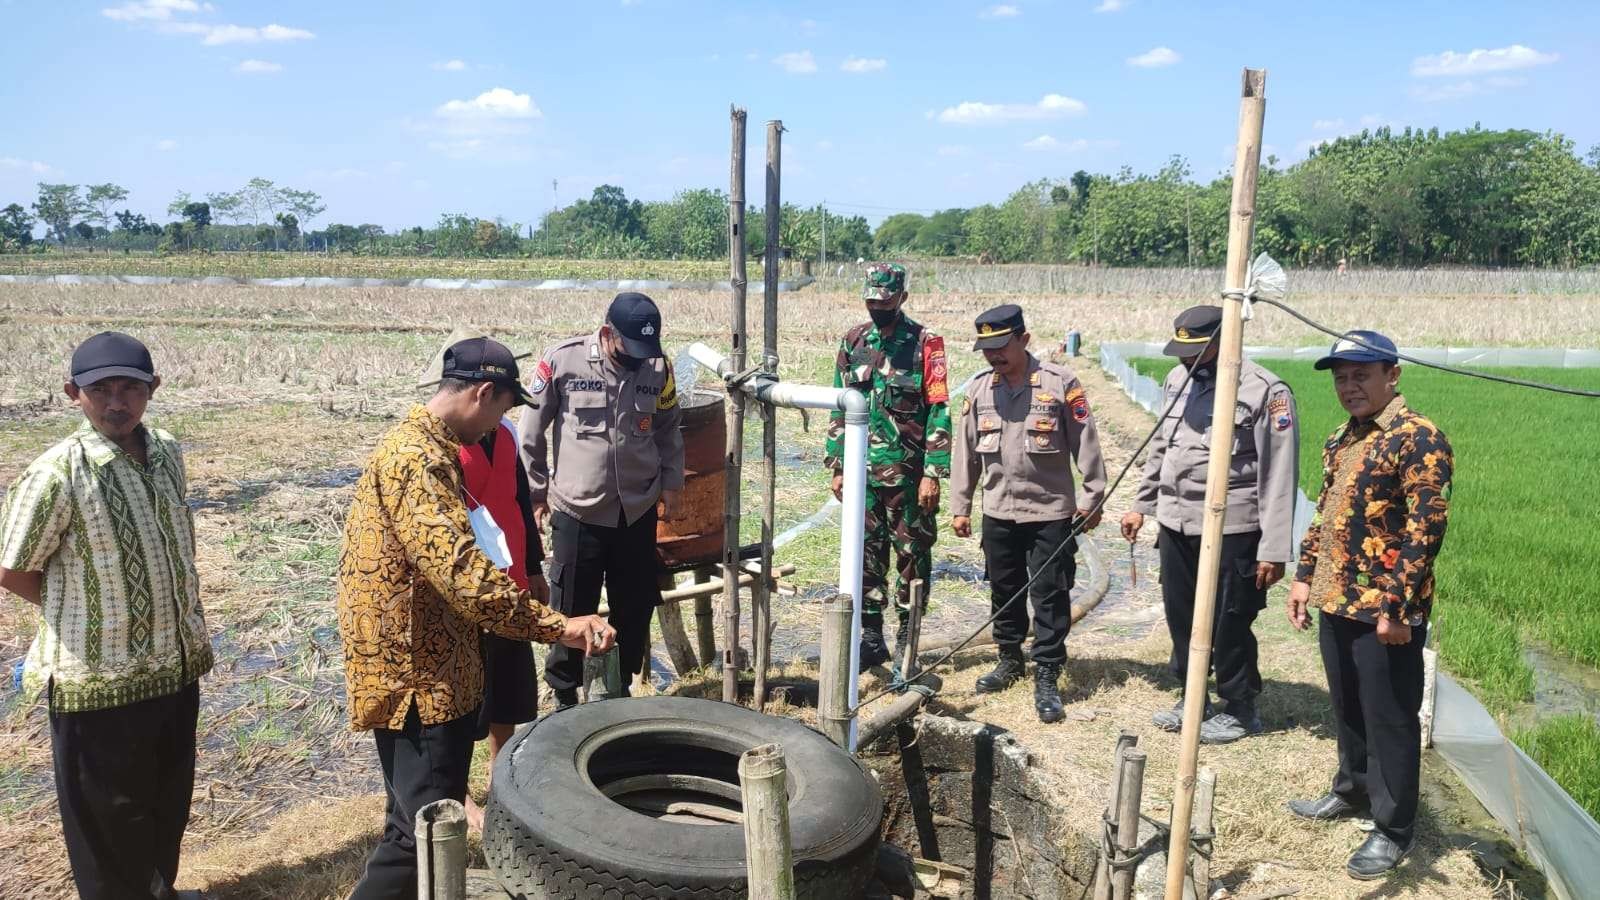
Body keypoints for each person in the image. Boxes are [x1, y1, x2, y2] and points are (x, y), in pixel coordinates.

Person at [338, 336, 615, 900]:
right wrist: (559, 626)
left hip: (428, 668)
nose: (498, 425)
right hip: (421, 681)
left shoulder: (426, 449)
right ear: (483, 394)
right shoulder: (418, 461)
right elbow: (463, 573)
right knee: (419, 834)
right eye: (502, 410)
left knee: (413, 822)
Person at [0, 332, 211, 900]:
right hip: (96, 682)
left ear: (152, 390)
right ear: (74, 393)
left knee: (166, 803)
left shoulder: (166, 451)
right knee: (105, 826)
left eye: (130, 389)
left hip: (174, 666)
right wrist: (84, 604)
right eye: (101, 390)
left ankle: (158, 891)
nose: (117, 403)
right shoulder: (57, 474)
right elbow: (12, 567)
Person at [1285, 331, 1452, 881]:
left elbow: (1425, 530)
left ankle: (1392, 828)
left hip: (1385, 612)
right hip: (1337, 599)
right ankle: (1352, 790)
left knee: (1390, 719)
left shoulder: (1418, 437)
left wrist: (1398, 610)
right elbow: (1325, 515)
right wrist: (1305, 577)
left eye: (1361, 374)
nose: (1349, 386)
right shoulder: (1341, 438)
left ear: (1392, 375)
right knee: (1349, 707)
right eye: (1340, 377)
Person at [1120, 305, 1300, 743]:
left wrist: (1274, 550)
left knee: (1229, 620)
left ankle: (1240, 707)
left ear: (1227, 340)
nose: (1186, 359)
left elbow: (1279, 474)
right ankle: (1193, 697)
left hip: (1235, 527)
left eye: (1196, 350)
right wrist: (1141, 505)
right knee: (1180, 612)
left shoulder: (1263, 391)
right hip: (1177, 521)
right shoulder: (1177, 381)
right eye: (1181, 350)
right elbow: (1161, 446)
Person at [518, 292, 684, 708]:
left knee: (634, 603)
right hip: (579, 510)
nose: (639, 359)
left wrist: (672, 487)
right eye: (631, 349)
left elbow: (668, 428)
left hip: (637, 510)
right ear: (608, 334)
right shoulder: (563, 361)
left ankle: (620, 688)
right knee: (571, 604)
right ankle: (565, 696)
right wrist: (535, 495)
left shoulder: (658, 366)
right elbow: (531, 433)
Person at [950, 305, 1106, 723]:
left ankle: (1048, 672)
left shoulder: (1060, 384)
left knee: (1050, 593)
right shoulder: (980, 390)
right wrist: (960, 506)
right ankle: (1009, 659)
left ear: (1024, 339)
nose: (993, 356)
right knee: (1004, 589)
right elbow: (963, 452)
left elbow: (1086, 443)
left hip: (1050, 511)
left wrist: (1093, 498)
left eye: (1001, 346)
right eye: (986, 349)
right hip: (999, 509)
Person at [418, 332, 546, 832]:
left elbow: (518, 501)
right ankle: (457, 794)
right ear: (482, 396)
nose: (506, 416)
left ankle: (499, 772)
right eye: (505, 404)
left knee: (509, 688)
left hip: (509, 580)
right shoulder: (444, 445)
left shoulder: (507, 437)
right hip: (467, 590)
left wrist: (533, 569)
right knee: (465, 695)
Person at [825, 263, 951, 671]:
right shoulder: (854, 341)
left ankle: (906, 642)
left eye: (885, 300)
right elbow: (839, 405)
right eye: (871, 300)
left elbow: (939, 408)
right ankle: (872, 637)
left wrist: (933, 471)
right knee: (865, 556)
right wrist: (838, 465)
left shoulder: (926, 344)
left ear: (902, 298)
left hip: (908, 477)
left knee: (911, 557)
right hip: (863, 477)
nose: (877, 306)